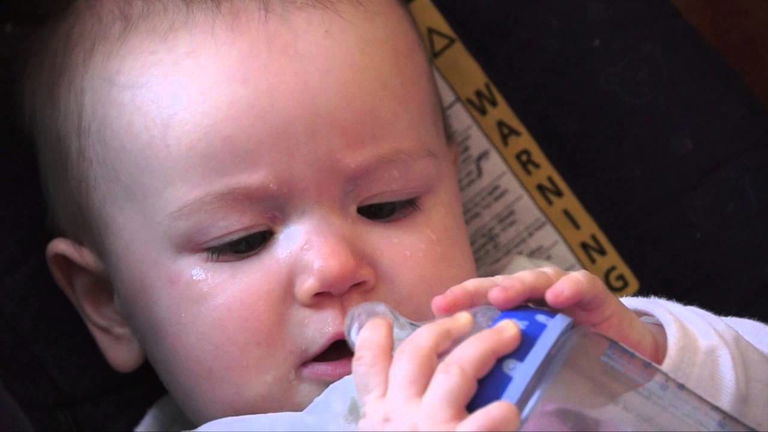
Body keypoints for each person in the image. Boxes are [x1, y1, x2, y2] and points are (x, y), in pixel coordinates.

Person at [23, 0, 767, 430]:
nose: (335, 267)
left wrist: (659, 362)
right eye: (241, 241)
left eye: (388, 205)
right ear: (108, 302)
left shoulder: (523, 327)